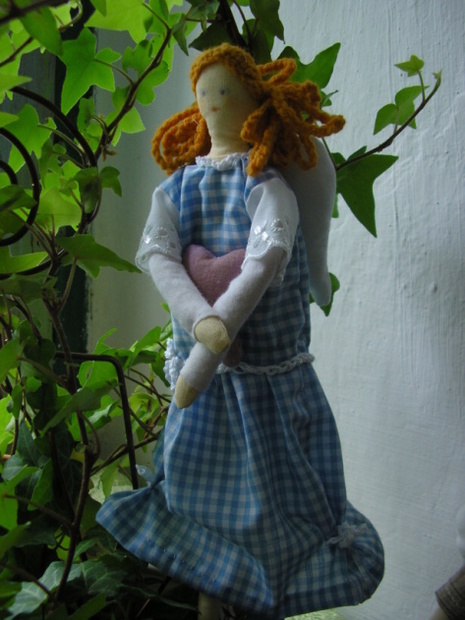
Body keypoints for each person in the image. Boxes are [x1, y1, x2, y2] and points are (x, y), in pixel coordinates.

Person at [96, 43, 384, 619]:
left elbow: (265, 261)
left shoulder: (268, 186)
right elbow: (159, 256)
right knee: (198, 501)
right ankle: (213, 591)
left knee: (277, 499)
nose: (212, 102)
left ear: (256, 101)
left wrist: (215, 334)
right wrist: (199, 320)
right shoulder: (177, 187)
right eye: (205, 94)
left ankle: (263, 589)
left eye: (223, 92)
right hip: (204, 400)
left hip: (265, 390)